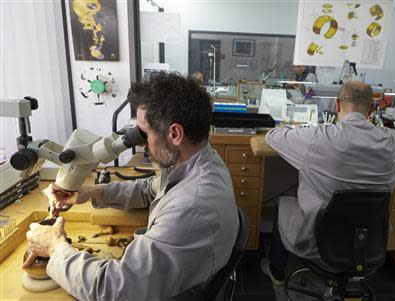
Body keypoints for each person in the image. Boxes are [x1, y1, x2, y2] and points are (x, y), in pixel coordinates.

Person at [23, 72, 239, 300]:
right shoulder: (198, 160)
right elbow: (150, 189)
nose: (141, 144)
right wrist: (93, 193)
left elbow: (115, 290)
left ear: (175, 133)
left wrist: (55, 249)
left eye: (143, 134)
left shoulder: (191, 205)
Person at [260, 80, 395, 286]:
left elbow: (273, 136)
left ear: (337, 105)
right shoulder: (393, 143)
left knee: (284, 204)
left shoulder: (318, 138)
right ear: (372, 109)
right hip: (370, 243)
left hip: (318, 241)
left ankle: (277, 271)